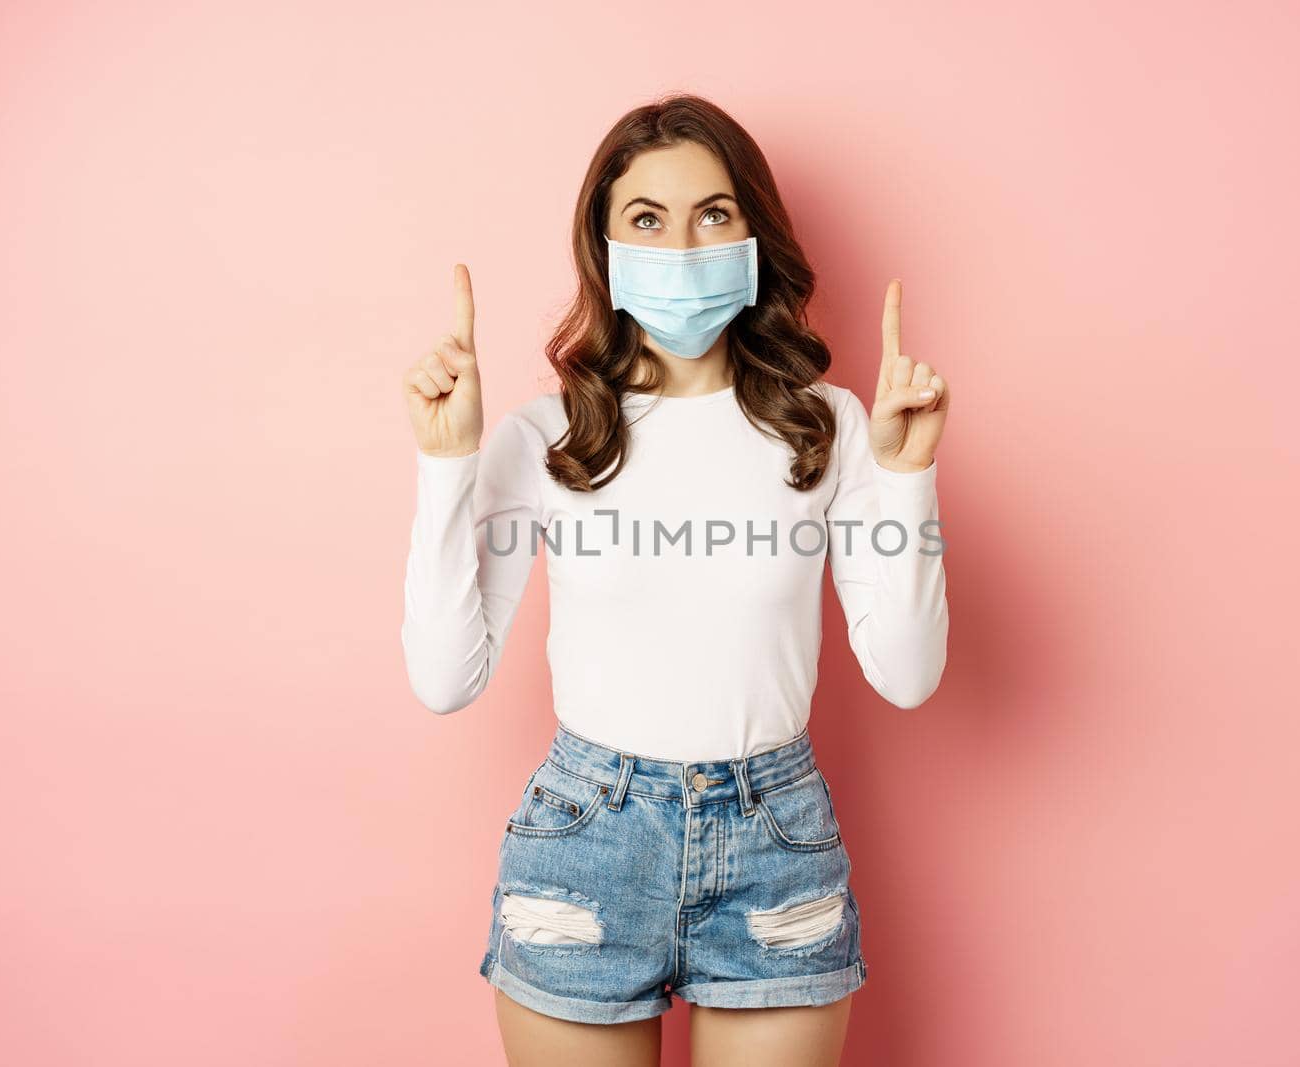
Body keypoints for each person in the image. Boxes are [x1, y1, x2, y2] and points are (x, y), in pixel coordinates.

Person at [399, 94, 950, 1067]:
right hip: (586, 838)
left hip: (774, 841)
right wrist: (447, 464)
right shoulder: (545, 436)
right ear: (605, 250)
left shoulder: (826, 425)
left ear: (754, 234)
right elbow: (445, 679)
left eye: (713, 213)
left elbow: (906, 675)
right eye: (646, 219)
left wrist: (908, 479)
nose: (682, 243)